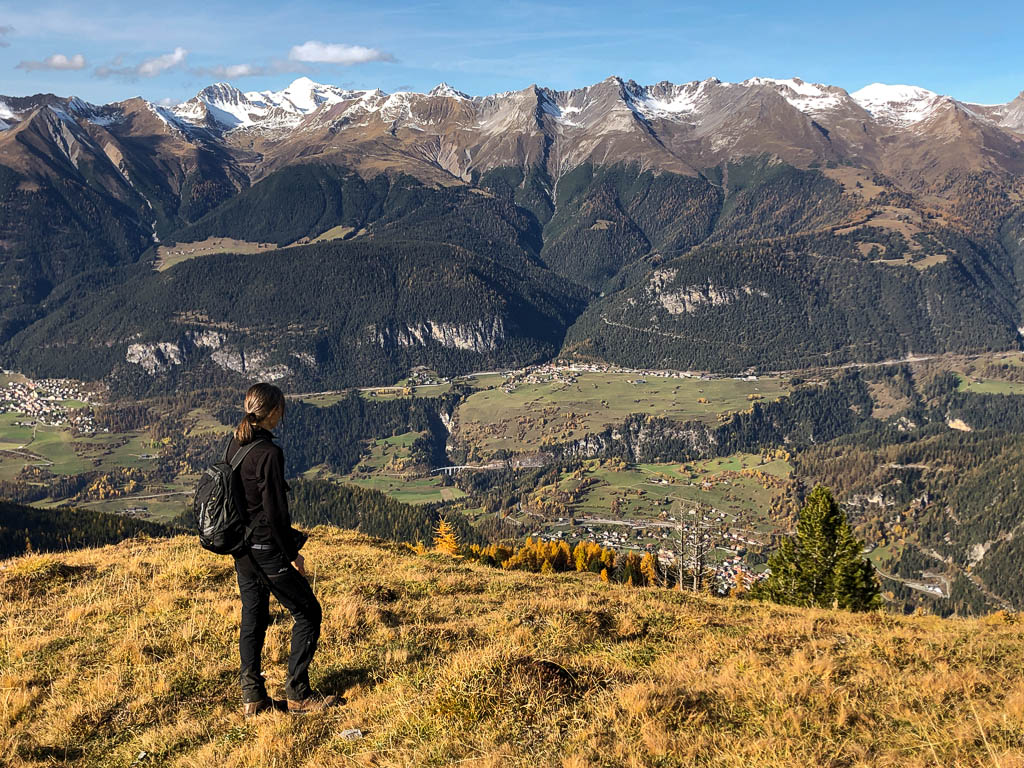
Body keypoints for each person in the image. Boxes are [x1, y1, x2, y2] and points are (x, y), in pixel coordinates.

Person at [226, 382, 335, 716]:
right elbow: (275, 512)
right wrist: (292, 552)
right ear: (273, 413)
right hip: (265, 549)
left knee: (253, 616)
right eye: (281, 410)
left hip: (241, 549)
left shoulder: (235, 444)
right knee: (307, 612)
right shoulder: (269, 454)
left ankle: (253, 698)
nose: (282, 416)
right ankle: (298, 693)